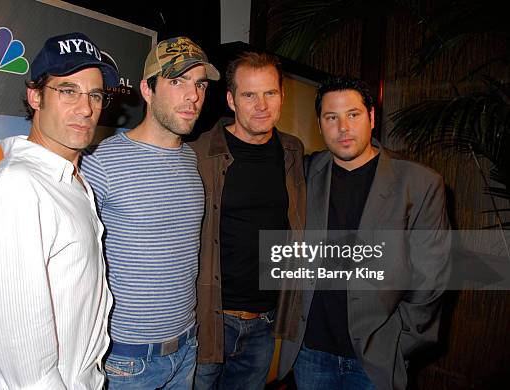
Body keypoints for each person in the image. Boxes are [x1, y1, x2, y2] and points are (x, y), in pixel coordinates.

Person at [277, 76, 451, 390]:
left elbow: (432, 278)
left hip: (376, 357)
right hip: (311, 352)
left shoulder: (419, 183)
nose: (343, 127)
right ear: (320, 124)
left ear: (371, 118)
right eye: (332, 117)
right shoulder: (303, 173)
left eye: (353, 115)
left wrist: (400, 341)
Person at [0, 32, 118, 389]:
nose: (86, 108)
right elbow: (25, 363)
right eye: (68, 91)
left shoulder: (72, 181)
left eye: (94, 94)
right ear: (35, 97)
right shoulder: (19, 189)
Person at [80, 36, 220, 389]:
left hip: (187, 347)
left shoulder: (190, 159)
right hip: (127, 359)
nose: (193, 96)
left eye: (199, 84)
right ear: (147, 89)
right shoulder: (101, 163)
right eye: (177, 82)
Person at [189, 51, 306, 389]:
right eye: (249, 94)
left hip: (264, 325)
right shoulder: (197, 153)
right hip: (210, 323)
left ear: (282, 96)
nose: (261, 104)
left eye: (270, 93)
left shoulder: (293, 152)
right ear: (231, 100)